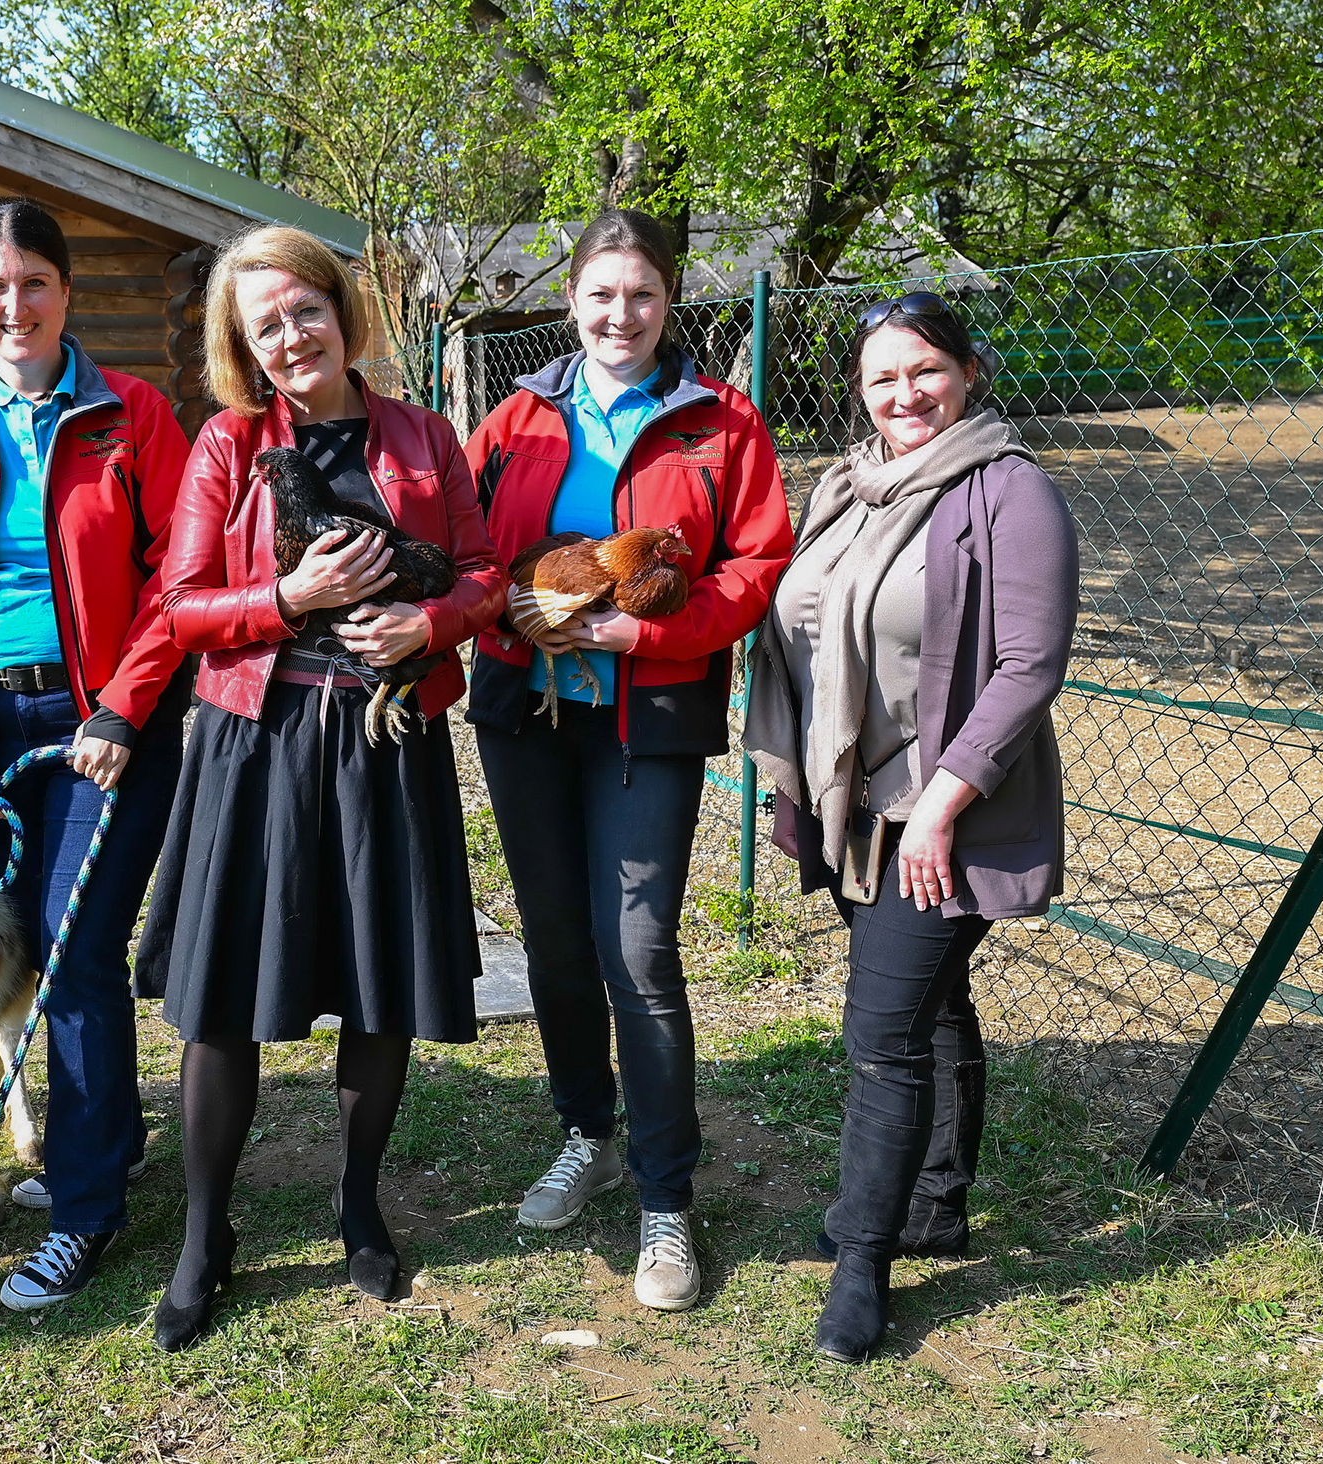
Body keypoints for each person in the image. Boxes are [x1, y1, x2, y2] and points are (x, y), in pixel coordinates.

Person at [137, 224, 506, 1351]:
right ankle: (207, 1234)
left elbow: (487, 571)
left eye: (306, 309)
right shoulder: (226, 446)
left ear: (343, 313)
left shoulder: (423, 435)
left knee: (377, 983)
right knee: (219, 1002)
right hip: (258, 738)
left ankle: (357, 1200)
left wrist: (429, 620)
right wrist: (287, 593)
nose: (291, 336)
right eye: (266, 324)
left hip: (386, 738)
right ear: (241, 346)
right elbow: (183, 606)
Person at [462, 208, 793, 1312]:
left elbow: (757, 566)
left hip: (646, 723)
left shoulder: (720, 422)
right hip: (527, 717)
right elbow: (467, 553)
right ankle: (583, 1130)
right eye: (601, 295)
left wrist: (642, 633)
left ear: (668, 301)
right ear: (572, 301)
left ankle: (665, 1196)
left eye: (641, 295)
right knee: (556, 943)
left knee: (638, 950)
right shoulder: (512, 420)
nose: (620, 315)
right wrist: (507, 612)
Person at [745, 291, 1078, 1363]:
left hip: (946, 812)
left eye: (924, 371)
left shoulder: (1008, 491)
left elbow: (1028, 665)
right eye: (883, 376)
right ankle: (936, 1201)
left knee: (882, 1035)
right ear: (859, 388)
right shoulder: (846, 488)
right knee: (933, 1008)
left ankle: (862, 1259)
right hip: (856, 804)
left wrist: (942, 801)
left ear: (968, 372)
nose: (905, 394)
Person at [0, 198, 192, 1313]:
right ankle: (115, 1138)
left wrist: (121, 707)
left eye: (34, 283)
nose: (15, 306)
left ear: (68, 292)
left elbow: (179, 580)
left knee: (71, 951)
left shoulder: (132, 414)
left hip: (108, 726)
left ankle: (83, 1210)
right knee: (18, 952)